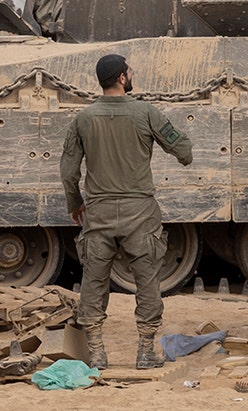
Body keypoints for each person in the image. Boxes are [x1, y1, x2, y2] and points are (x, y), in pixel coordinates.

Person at [60, 54, 193, 370]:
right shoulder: (146, 113)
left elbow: (68, 171)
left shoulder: (83, 119)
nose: (131, 74)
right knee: (147, 281)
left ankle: (97, 354)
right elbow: (183, 150)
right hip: (140, 213)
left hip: (99, 213)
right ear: (122, 78)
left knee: (93, 280)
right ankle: (145, 353)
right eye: (129, 70)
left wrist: (74, 204)